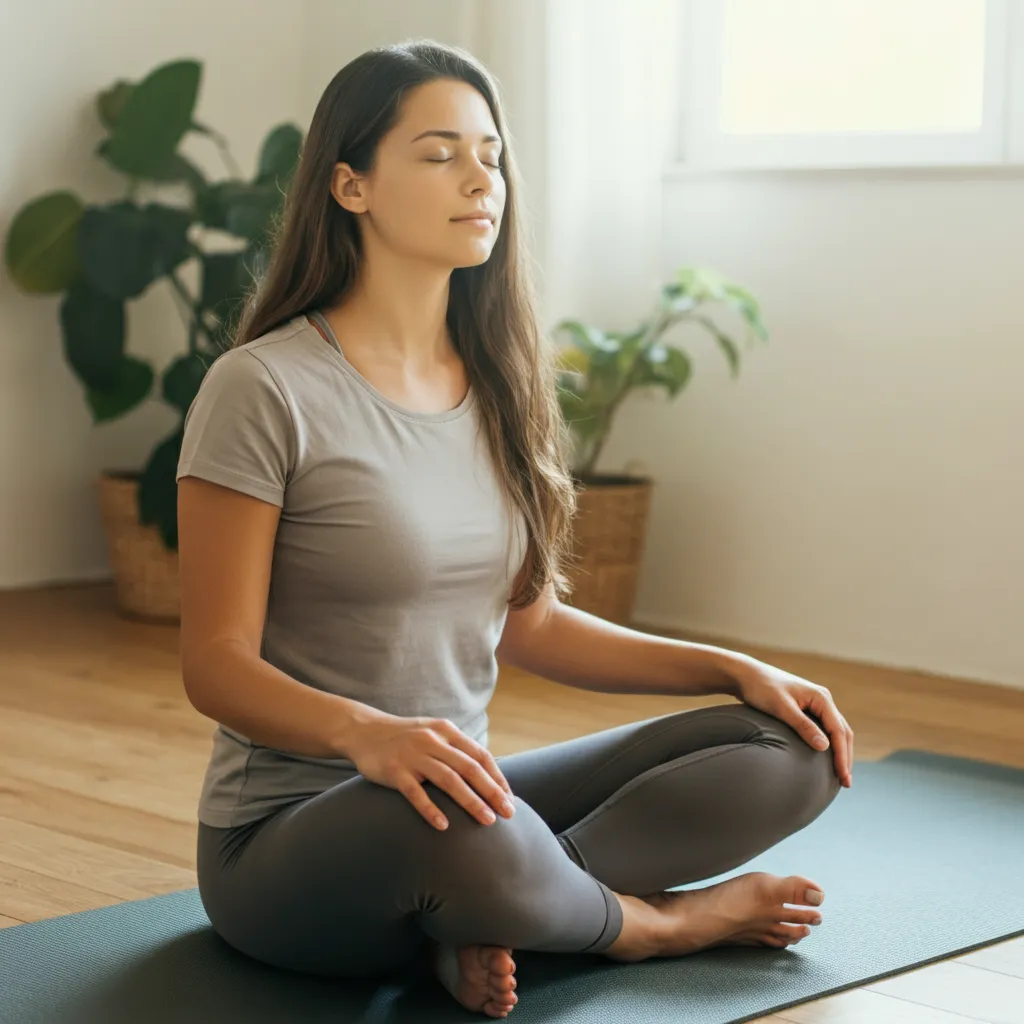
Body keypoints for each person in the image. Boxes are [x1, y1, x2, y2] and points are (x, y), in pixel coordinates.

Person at [175, 39, 853, 1020]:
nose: (478, 178)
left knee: (790, 746)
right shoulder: (262, 388)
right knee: (460, 828)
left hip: (467, 805)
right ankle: (646, 923)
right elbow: (215, 664)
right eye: (439, 152)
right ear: (350, 185)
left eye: (490, 154)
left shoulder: (497, 383)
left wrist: (731, 666)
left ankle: (495, 910)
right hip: (289, 837)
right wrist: (370, 736)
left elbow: (528, 625)